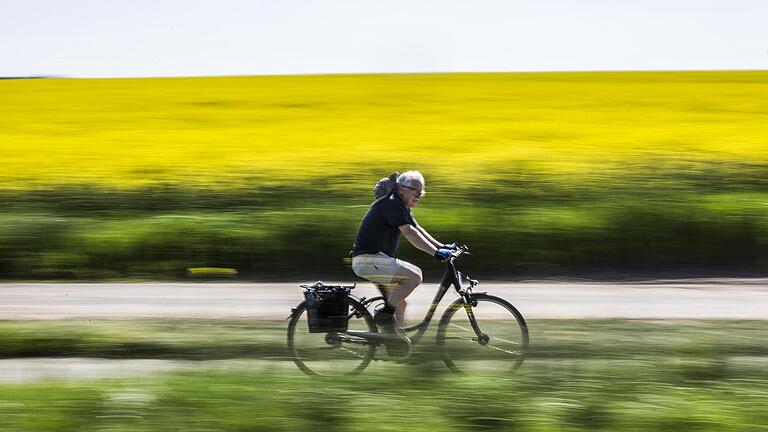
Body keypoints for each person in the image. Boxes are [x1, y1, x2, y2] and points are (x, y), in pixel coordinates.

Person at [350, 170, 455, 333]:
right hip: (368, 260)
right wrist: (435, 252)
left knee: (400, 304)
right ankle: (384, 315)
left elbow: (417, 228)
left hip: (375, 261)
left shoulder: (401, 206)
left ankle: (394, 344)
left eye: (421, 192)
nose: (419, 195)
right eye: (416, 191)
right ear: (400, 189)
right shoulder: (391, 204)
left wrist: (442, 246)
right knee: (415, 276)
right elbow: (410, 233)